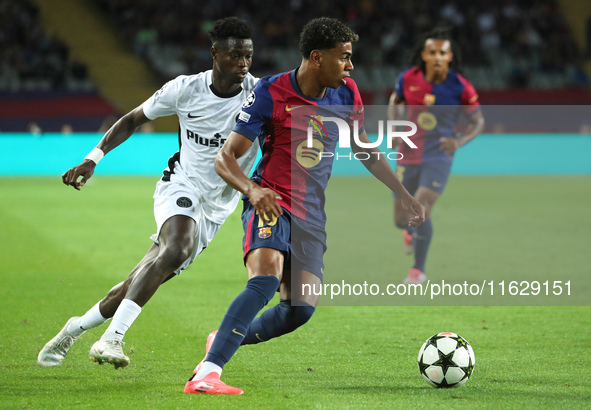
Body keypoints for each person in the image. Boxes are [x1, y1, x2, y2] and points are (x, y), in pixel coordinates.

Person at [184, 17, 425, 395]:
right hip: (271, 202)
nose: (350, 66)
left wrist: (403, 193)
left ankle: (224, 337)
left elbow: (363, 148)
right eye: (344, 57)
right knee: (264, 279)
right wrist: (252, 190)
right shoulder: (270, 92)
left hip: (311, 215)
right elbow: (225, 158)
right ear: (316, 57)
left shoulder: (346, 94)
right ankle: (207, 373)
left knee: (299, 310)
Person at [37, 17, 259, 369]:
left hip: (218, 206)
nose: (243, 64)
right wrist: (92, 158)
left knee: (140, 279)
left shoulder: (258, 95)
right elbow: (131, 119)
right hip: (182, 184)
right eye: (235, 55)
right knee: (176, 248)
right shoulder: (185, 89)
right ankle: (112, 339)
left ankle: (74, 329)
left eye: (248, 56)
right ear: (215, 53)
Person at [387, 28, 485, 284]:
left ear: (450, 56)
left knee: (421, 208)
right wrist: (394, 126)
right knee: (401, 219)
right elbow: (396, 100)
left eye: (442, 52)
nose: (437, 57)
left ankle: (418, 270)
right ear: (424, 55)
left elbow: (478, 121)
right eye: (432, 52)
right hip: (407, 153)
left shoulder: (460, 86)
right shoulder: (408, 78)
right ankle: (409, 232)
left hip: (438, 156)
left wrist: (458, 141)